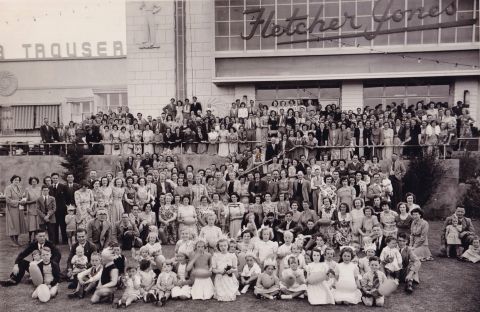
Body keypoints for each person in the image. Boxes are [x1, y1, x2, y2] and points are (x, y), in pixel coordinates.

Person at [5, 175, 27, 246]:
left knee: (18, 224)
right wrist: (18, 202)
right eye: (15, 180)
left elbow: (20, 197)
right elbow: (8, 200)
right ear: (12, 180)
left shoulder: (19, 187)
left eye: (18, 180)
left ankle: (16, 241)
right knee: (13, 224)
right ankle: (13, 241)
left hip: (19, 208)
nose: (17, 181)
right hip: (12, 209)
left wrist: (23, 199)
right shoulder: (8, 188)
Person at [50, 173, 68, 244]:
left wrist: (65, 206)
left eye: (56, 178)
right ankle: (55, 241)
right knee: (55, 225)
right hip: (53, 210)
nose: (55, 179)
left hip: (62, 209)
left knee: (63, 225)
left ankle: (65, 240)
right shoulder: (49, 188)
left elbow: (67, 197)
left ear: (58, 178)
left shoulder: (63, 187)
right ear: (51, 179)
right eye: (53, 178)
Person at [24, 177, 42, 242]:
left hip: (38, 210)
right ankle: (29, 239)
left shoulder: (40, 189)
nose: (34, 182)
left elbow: (41, 199)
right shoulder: (27, 189)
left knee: (37, 226)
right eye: (32, 181)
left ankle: (35, 239)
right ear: (30, 182)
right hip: (31, 209)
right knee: (31, 225)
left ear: (37, 182)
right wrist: (34, 201)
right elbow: (26, 201)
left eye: (35, 181)